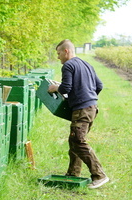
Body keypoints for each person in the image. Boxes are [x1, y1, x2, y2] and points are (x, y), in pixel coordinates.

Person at [48, 39, 109, 189]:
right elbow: (99, 85)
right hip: (92, 107)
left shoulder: (68, 65)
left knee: (78, 141)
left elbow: (65, 88)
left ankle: (99, 175)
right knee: (74, 141)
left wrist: (55, 88)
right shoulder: (86, 64)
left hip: (82, 110)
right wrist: (88, 97)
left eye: (59, 53)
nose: (58, 57)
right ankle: (73, 174)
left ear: (66, 51)